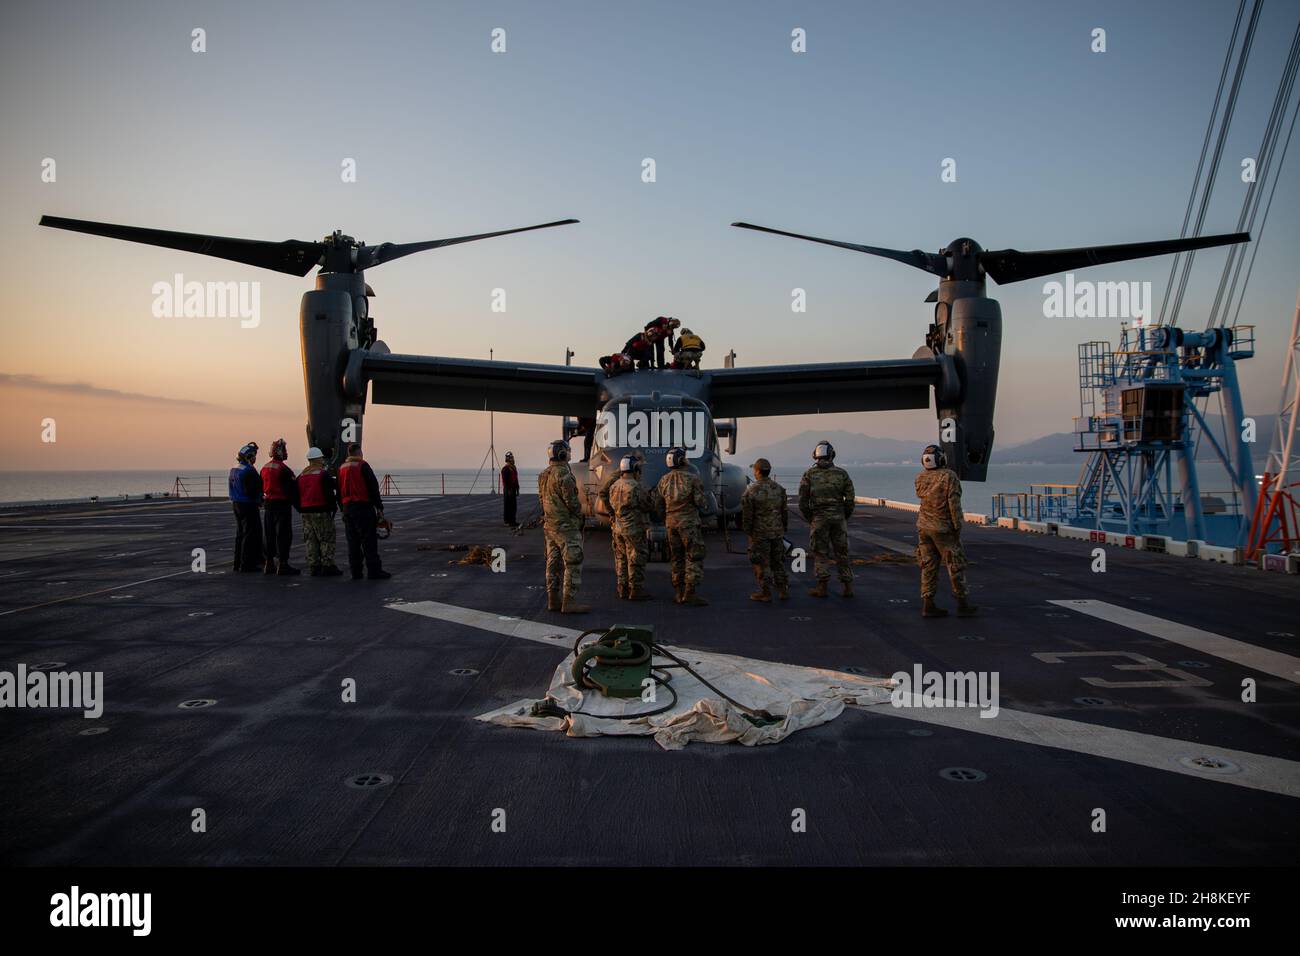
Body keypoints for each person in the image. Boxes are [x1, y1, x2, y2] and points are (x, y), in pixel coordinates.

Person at [915, 444, 977, 618]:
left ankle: (928, 604)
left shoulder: (920, 477)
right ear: (941, 459)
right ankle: (963, 604)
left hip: (923, 527)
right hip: (943, 529)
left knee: (928, 565)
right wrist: (957, 527)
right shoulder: (949, 476)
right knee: (955, 565)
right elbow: (954, 504)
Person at [798, 440, 855, 598]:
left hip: (819, 518)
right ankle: (848, 586)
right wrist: (844, 515)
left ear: (815, 455)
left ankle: (822, 587)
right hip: (838, 518)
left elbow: (802, 501)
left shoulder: (809, 474)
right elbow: (850, 499)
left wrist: (811, 518)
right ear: (832, 455)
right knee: (842, 552)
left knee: (820, 553)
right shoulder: (842, 474)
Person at [538, 439, 589, 613]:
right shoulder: (565, 475)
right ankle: (570, 601)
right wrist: (580, 516)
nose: (570, 454)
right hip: (566, 527)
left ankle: (553, 599)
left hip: (549, 526)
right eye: (568, 451)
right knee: (573, 562)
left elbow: (541, 500)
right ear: (562, 453)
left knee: (552, 562)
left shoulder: (544, 474)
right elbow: (572, 503)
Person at [654, 446, 708, 606]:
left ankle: (678, 592)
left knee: (676, 558)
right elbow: (700, 502)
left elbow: (658, 505)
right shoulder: (693, 479)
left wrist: (665, 517)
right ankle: (690, 592)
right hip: (689, 524)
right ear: (683, 460)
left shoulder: (663, 480)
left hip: (671, 524)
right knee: (694, 556)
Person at [337, 443, 391, 580]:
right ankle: (374, 571)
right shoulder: (362, 466)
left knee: (352, 542)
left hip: (348, 509)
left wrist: (343, 509)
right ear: (359, 453)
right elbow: (373, 487)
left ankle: (356, 571)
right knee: (369, 541)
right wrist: (379, 508)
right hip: (363, 508)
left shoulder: (341, 468)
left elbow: (338, 492)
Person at [606, 455, 655, 600]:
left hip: (618, 528)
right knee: (637, 557)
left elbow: (610, 504)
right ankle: (636, 589)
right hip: (633, 528)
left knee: (621, 558)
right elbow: (648, 506)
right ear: (635, 469)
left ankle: (622, 588)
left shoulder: (614, 485)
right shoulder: (636, 486)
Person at [741, 457, 789, 602]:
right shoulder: (779, 489)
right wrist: (783, 529)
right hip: (777, 532)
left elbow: (747, 516)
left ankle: (765, 592)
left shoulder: (751, 491)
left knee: (762, 563)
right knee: (778, 561)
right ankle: (782, 590)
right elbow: (784, 512)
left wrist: (748, 532)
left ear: (757, 471)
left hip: (760, 533)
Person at [298, 447, 342, 577]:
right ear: (318, 459)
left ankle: (314, 566)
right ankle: (328, 565)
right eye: (321, 458)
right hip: (321, 510)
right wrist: (333, 506)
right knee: (326, 538)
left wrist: (301, 508)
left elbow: (296, 494)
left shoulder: (301, 475)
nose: (323, 460)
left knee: (310, 539)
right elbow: (329, 492)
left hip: (306, 511)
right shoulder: (323, 474)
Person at [260, 438, 301, 576]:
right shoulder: (284, 470)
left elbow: (260, 488)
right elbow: (292, 491)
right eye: (285, 450)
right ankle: (282, 564)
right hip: (282, 506)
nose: (286, 453)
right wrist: (300, 507)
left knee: (269, 534)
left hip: (268, 505)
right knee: (283, 535)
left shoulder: (264, 468)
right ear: (280, 451)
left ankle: (269, 563)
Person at [228, 442, 264, 572]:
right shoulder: (249, 471)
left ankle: (237, 563)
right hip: (248, 505)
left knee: (240, 533)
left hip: (236, 504)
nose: (255, 458)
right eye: (254, 455)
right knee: (250, 534)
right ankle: (247, 564)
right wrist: (260, 498)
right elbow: (253, 490)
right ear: (249, 456)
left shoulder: (235, 469)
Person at [500, 451, 520, 527]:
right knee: (508, 505)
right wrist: (509, 490)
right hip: (508, 489)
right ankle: (507, 521)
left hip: (513, 489)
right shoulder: (505, 469)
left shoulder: (513, 468)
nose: (513, 459)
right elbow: (505, 481)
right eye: (511, 458)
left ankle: (513, 520)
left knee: (513, 506)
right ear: (508, 459)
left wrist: (517, 489)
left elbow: (516, 479)